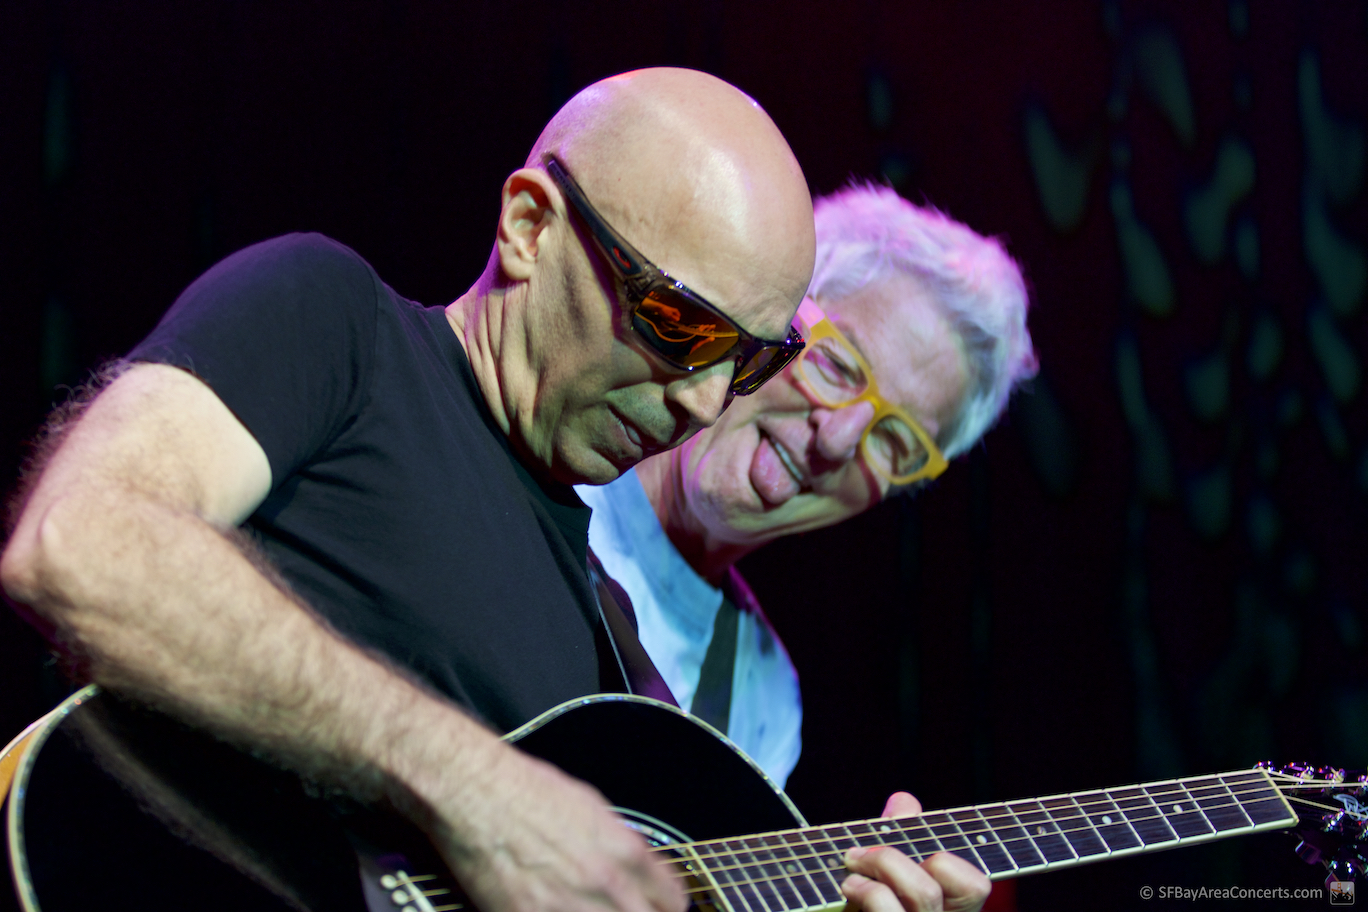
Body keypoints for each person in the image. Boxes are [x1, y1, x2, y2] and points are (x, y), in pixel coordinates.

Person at [2, 69, 991, 911]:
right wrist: (470, 783)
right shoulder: (337, 322)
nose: (700, 397)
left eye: (743, 359)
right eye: (678, 326)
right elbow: (83, 538)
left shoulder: (610, 652)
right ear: (529, 226)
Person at [580, 184, 1037, 787]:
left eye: (895, 440)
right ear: (769, 316)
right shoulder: (551, 463)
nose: (838, 438)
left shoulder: (760, 705)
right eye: (839, 363)